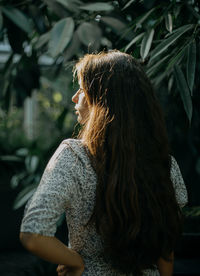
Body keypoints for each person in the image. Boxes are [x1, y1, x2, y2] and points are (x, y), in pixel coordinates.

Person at [20, 50, 188, 276]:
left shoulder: (74, 157)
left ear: (101, 100)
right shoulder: (165, 165)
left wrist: (75, 262)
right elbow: (165, 248)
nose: (74, 97)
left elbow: (33, 233)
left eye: (81, 89)